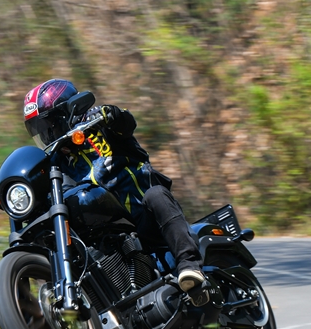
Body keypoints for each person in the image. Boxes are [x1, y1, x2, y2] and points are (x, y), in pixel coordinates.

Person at [23, 78, 205, 293]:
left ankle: (190, 266)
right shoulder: (57, 163)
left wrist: (111, 114)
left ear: (67, 114)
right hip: (111, 231)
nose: (46, 135)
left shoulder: (100, 127)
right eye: (39, 130)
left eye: (49, 126)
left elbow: (126, 123)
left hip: (147, 217)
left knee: (156, 195)